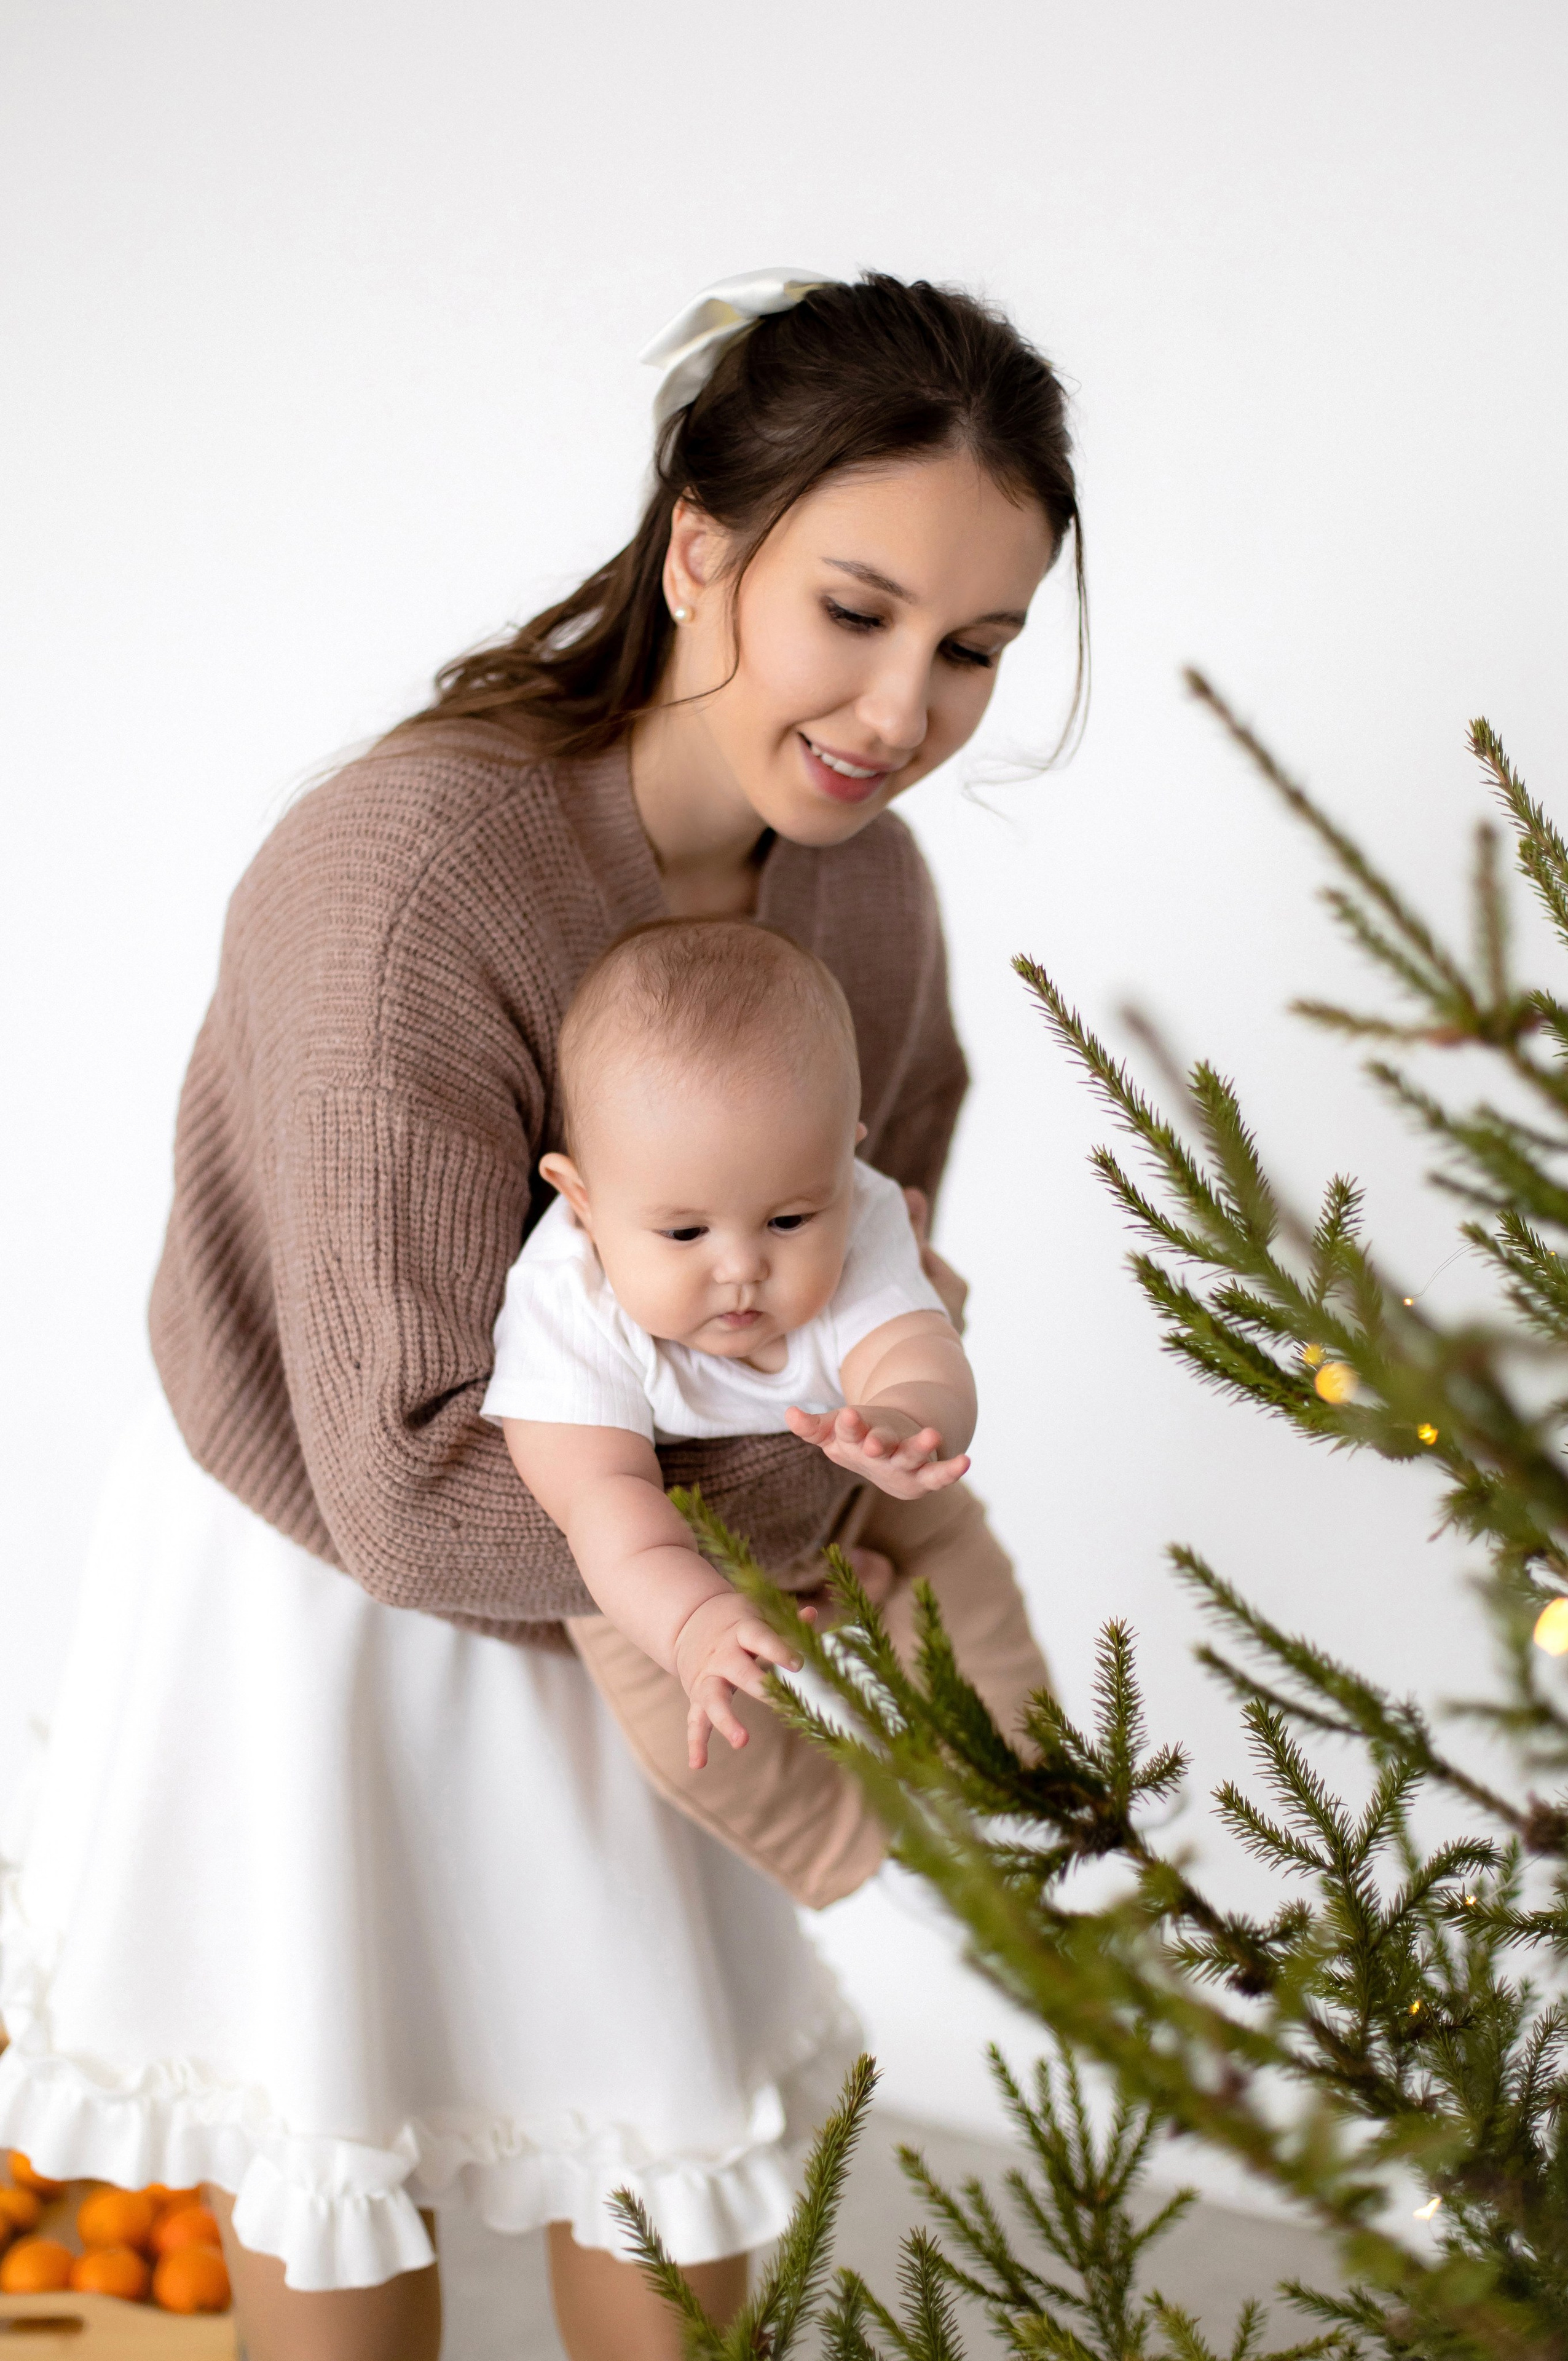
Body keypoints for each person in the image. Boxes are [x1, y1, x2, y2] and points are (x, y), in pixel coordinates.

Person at [0, 269, 1084, 2361]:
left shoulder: (866, 887)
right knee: (353, 2153)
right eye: (856, 613)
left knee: (660, 2133)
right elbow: (406, 1487)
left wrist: (874, 1409)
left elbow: (894, 1236)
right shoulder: (408, 879)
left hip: (670, 1593)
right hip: (337, 1587)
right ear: (699, 550)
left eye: (973, 649)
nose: (902, 712)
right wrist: (801, 1498)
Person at [487, 917, 980, 1771]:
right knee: (717, 1749)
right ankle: (853, 1841)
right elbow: (603, 1501)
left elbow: (919, 1351)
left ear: (844, 1162)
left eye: (789, 1220)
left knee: (972, 1597)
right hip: (655, 1573)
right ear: (583, 1202)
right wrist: (692, 1624)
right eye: (685, 1233)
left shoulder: (860, 1213)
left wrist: (905, 1425)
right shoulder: (569, 1304)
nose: (743, 1268)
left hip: (871, 1487)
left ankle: (1066, 1801)